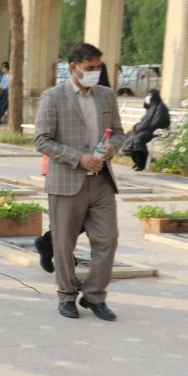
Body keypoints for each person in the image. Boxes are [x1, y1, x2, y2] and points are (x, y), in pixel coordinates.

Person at [34, 42, 124, 322]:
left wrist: (112, 148)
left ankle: (95, 295)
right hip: (67, 181)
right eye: (90, 67)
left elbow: (119, 132)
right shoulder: (53, 97)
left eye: (98, 67)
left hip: (101, 181)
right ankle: (66, 295)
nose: (95, 72)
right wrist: (78, 158)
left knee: (107, 239)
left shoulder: (106, 95)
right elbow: (42, 140)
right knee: (63, 243)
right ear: (73, 67)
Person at [121, 89, 170, 170]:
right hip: (146, 129)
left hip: (157, 131)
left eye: (150, 96)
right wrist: (138, 127)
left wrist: (141, 128)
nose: (148, 97)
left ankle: (142, 164)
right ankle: (136, 161)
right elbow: (144, 121)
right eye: (147, 95)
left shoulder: (161, 108)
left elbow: (156, 123)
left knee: (138, 138)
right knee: (130, 135)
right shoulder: (151, 108)